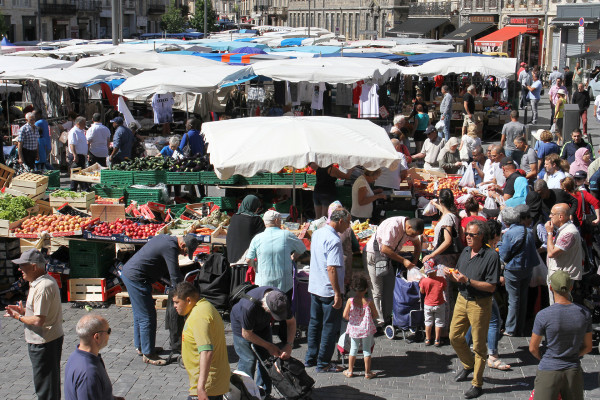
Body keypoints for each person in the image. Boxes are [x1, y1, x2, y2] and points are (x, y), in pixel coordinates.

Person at [120, 234, 199, 365]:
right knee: (147, 316)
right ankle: (148, 353)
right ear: (182, 245)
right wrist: (184, 295)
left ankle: (142, 347)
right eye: (186, 252)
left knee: (139, 314)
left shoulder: (167, 240)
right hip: (136, 278)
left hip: (132, 274)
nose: (185, 255)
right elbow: (175, 276)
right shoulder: (170, 247)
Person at [447, 220, 501, 399]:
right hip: (462, 299)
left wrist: (467, 281)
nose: (467, 238)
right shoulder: (465, 251)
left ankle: (477, 383)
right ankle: (468, 364)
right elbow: (459, 274)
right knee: (454, 336)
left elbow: (491, 286)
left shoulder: (491, 256)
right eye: (467, 234)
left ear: (481, 236)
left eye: (472, 235)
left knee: (478, 345)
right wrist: (452, 275)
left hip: (480, 303)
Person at [4, 249, 64, 400]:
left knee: (46, 388)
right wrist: (24, 311)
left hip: (44, 343)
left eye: (22, 265)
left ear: (34, 267)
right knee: (46, 384)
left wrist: (18, 317)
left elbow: (38, 320)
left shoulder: (43, 287)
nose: (19, 269)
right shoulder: (38, 283)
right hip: (45, 341)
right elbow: (40, 312)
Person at [529, 270, 593, 400]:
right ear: (571, 287)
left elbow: (533, 348)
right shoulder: (584, 314)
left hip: (549, 369)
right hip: (573, 370)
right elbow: (588, 347)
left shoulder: (544, 315)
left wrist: (544, 358)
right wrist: (574, 354)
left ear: (551, 287)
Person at [306, 208, 351, 372]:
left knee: (314, 324)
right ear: (340, 221)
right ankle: (323, 363)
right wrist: (338, 293)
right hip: (327, 290)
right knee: (329, 327)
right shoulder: (334, 240)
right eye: (348, 222)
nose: (348, 226)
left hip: (315, 287)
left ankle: (310, 358)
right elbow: (331, 268)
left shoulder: (317, 233)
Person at [230, 286, 296, 395]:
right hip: (241, 326)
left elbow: (291, 323)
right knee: (248, 360)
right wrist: (269, 346)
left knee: (267, 360)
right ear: (265, 306)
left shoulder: (282, 300)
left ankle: (264, 393)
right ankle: (245, 394)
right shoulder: (249, 307)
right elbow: (246, 334)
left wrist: (289, 345)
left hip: (262, 324)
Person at [173, 282, 230, 400]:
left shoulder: (199, 316)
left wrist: (201, 387)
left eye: (177, 302)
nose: (174, 306)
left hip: (207, 387)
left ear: (188, 300)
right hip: (211, 385)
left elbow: (207, 351)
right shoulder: (204, 306)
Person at [365, 216, 423, 328]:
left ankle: (387, 318)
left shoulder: (411, 229)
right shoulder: (394, 226)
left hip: (387, 258)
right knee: (376, 290)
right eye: (412, 234)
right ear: (408, 226)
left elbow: (417, 245)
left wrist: (414, 263)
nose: (412, 237)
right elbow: (384, 249)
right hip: (374, 255)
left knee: (389, 288)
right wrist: (404, 261)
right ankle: (378, 322)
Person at [245, 209, 306, 312]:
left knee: (264, 313)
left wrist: (255, 265)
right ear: (277, 220)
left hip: (263, 284)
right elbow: (302, 248)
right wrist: (294, 256)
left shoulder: (257, 238)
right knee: (284, 312)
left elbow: (248, 260)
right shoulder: (287, 235)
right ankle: (283, 328)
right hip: (283, 284)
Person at [64, 314, 125, 400]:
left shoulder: (75, 356)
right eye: (108, 331)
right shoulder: (89, 374)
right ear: (97, 337)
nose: (109, 335)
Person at [498, 208, 536, 337]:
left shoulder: (509, 234)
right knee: (523, 297)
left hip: (513, 269)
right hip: (527, 267)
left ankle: (510, 328)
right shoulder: (528, 231)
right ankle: (520, 326)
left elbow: (503, 254)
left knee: (513, 299)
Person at [545, 203, 583, 304]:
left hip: (562, 278)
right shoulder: (563, 230)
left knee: (559, 306)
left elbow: (551, 253)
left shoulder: (569, 233)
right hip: (558, 274)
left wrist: (549, 233)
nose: (549, 216)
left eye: (552, 214)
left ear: (560, 216)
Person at [342, 273, 378, 379]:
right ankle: (368, 372)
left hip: (354, 328)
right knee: (366, 350)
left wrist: (352, 319)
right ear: (366, 289)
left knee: (353, 348)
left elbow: (345, 315)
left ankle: (350, 370)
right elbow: (375, 315)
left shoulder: (350, 301)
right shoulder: (369, 302)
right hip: (366, 329)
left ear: (354, 288)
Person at [226, 195, 265, 264]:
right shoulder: (256, 219)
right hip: (247, 261)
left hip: (232, 259)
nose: (257, 209)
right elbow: (262, 239)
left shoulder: (234, 217)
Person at [419, 260, 447, 347]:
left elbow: (422, 291)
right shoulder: (441, 280)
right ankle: (437, 340)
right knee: (438, 322)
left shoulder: (424, 281)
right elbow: (444, 289)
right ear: (436, 270)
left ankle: (428, 339)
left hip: (428, 304)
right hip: (439, 304)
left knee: (428, 322)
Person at [68, 116, 89, 192]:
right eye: (84, 123)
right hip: (76, 156)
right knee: (76, 174)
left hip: (81, 156)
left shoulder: (81, 131)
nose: (85, 125)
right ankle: (74, 190)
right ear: (78, 123)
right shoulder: (73, 131)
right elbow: (72, 144)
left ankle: (83, 189)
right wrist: (75, 155)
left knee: (79, 174)